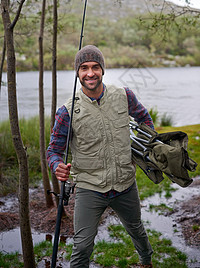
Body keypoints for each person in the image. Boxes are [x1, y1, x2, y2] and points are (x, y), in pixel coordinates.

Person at [47, 45, 154, 268]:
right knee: (82, 246)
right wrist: (57, 166)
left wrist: (141, 149)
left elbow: (145, 119)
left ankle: (146, 261)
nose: (90, 73)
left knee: (137, 229)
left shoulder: (124, 95)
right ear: (77, 72)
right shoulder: (67, 111)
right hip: (90, 187)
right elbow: (54, 151)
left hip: (125, 183)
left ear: (103, 70)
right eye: (84, 68)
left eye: (95, 67)